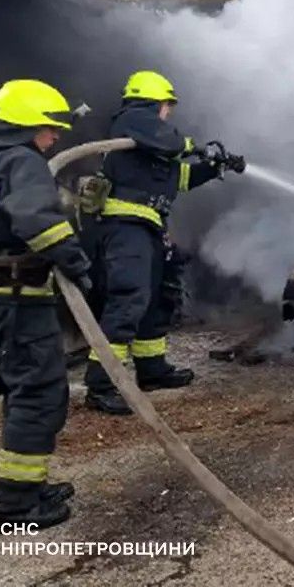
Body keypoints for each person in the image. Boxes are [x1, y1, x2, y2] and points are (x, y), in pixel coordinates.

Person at [0, 79, 92, 529]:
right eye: (50, 129)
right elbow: (36, 222)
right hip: (15, 293)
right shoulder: (21, 160)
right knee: (41, 392)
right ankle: (13, 507)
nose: (55, 139)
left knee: (23, 389)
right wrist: (77, 263)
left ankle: (27, 488)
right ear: (26, 125)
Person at [84, 70, 243, 415]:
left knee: (156, 300)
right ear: (154, 102)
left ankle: (151, 369)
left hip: (149, 228)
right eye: (166, 105)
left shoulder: (148, 149)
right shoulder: (133, 120)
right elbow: (172, 143)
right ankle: (101, 384)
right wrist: (194, 146)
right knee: (128, 300)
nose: (168, 112)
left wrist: (217, 167)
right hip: (124, 228)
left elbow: (180, 179)